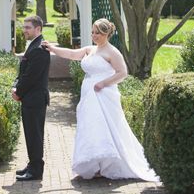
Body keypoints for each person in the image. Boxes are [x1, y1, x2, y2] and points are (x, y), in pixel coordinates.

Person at [42, 18, 158, 182]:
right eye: (93, 32)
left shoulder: (112, 52)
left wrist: (103, 83)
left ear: (106, 34)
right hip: (89, 94)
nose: (94, 36)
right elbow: (71, 54)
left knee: (105, 127)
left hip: (104, 94)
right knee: (90, 126)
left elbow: (122, 73)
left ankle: (108, 165)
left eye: (97, 33)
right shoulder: (90, 50)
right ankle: (95, 165)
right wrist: (52, 48)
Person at [11, 15, 50, 181]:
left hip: (35, 99)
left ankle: (36, 170)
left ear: (38, 29)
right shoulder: (33, 46)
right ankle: (32, 164)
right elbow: (23, 73)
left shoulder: (39, 49)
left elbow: (31, 77)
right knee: (30, 134)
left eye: (28, 27)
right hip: (30, 98)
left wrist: (18, 91)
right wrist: (16, 85)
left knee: (34, 135)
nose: (24, 30)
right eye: (24, 27)